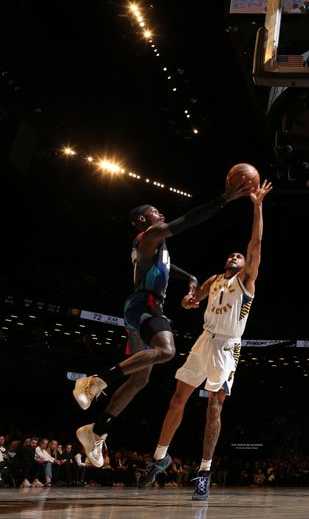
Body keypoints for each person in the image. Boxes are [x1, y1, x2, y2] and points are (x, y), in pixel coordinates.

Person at [72, 175, 255, 468]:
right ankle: (96, 380)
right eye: (156, 213)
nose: (162, 215)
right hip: (146, 304)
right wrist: (225, 199)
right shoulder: (151, 235)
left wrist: (191, 278)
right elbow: (190, 220)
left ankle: (96, 431)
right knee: (167, 351)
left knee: (142, 377)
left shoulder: (155, 247)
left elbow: (168, 267)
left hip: (137, 309)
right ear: (144, 219)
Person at [138, 180, 272, 500]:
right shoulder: (213, 280)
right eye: (232, 253)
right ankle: (159, 458)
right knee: (177, 398)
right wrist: (189, 300)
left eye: (240, 256)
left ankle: (204, 473)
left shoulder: (247, 281)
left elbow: (255, 241)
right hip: (203, 339)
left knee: (214, 407)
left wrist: (257, 205)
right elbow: (191, 300)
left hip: (228, 347)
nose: (236, 255)